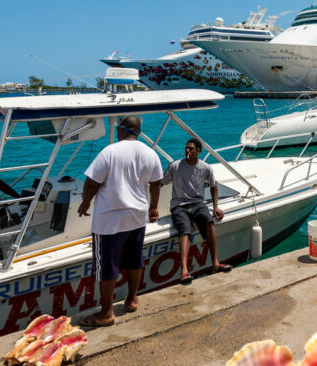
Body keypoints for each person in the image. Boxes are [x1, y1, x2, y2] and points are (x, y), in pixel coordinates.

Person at [78, 116, 162, 327]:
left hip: (109, 220)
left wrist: (85, 204)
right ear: (138, 131)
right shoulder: (150, 153)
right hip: (137, 216)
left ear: (121, 130)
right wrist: (153, 207)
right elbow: (156, 183)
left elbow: (91, 182)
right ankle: (132, 299)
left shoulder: (110, 151)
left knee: (107, 266)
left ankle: (106, 313)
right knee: (134, 259)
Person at [162, 138, 230, 284]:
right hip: (179, 205)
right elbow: (160, 182)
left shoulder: (205, 168)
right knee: (185, 230)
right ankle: (184, 271)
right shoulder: (175, 166)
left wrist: (216, 206)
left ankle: (215, 264)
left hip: (197, 203)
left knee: (209, 222)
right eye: (186, 148)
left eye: (191, 149)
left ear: (198, 151)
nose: (187, 151)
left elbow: (213, 185)